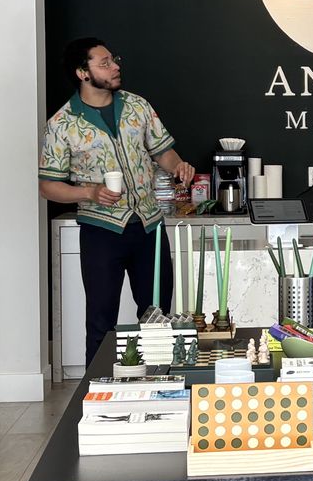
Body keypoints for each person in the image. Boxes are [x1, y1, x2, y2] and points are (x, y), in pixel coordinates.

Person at [38, 38, 196, 366]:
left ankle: (161, 386)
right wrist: (89, 193)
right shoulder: (61, 125)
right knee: (101, 321)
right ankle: (98, 393)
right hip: (101, 232)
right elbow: (48, 187)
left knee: (158, 316)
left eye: (114, 60)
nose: (115, 67)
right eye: (105, 63)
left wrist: (177, 165)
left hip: (149, 228)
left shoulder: (138, 106)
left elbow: (162, 152)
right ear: (83, 72)